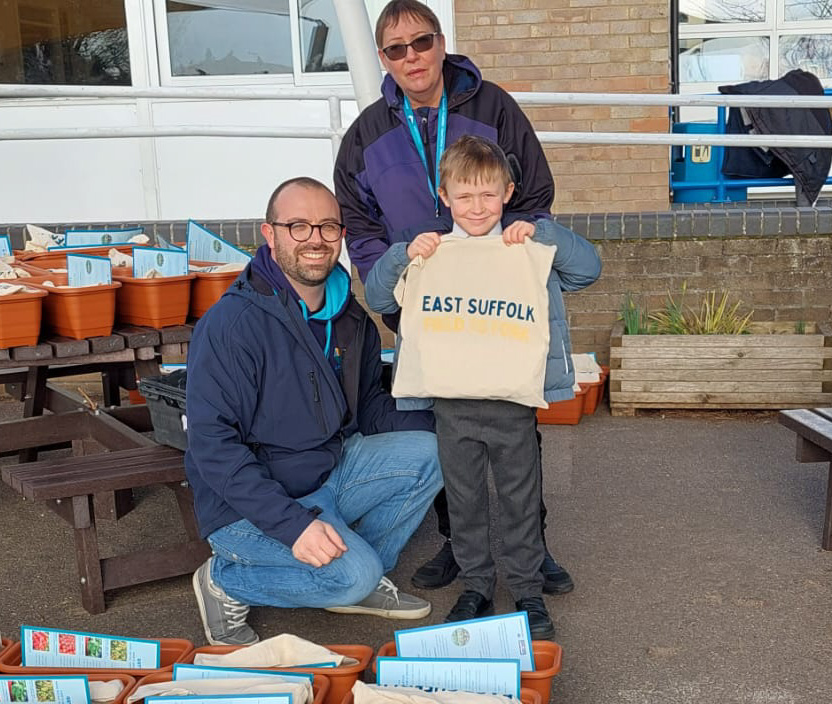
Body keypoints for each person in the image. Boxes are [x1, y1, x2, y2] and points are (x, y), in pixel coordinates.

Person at [334, 0, 574, 596]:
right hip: (426, 304)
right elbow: (357, 224)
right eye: (395, 49)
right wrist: (388, 286)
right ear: (383, 60)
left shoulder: (493, 106)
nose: (411, 57)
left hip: (495, 305)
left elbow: (533, 191)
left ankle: (532, 548)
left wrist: (511, 250)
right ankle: (456, 544)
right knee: (444, 424)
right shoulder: (367, 133)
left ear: (441, 43)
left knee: (514, 421)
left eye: (421, 42)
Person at [185, 177, 443, 646]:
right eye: (298, 226)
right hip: (244, 507)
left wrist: (455, 425)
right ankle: (225, 580)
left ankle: (360, 578)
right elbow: (212, 446)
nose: (315, 240)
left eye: (327, 226)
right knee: (351, 574)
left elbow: (369, 411)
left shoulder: (350, 320)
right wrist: (293, 525)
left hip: (324, 474)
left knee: (434, 451)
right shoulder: (233, 324)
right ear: (270, 234)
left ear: (341, 234)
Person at [363, 136, 601, 639]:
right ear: (443, 196)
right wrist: (403, 255)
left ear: (508, 192)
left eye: (488, 195)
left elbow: (588, 270)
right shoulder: (427, 251)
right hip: (452, 403)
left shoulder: (527, 245)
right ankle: (475, 585)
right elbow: (379, 293)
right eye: (464, 196)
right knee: (466, 502)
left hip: (512, 402)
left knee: (520, 499)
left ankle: (528, 591)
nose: (477, 207)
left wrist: (543, 232)